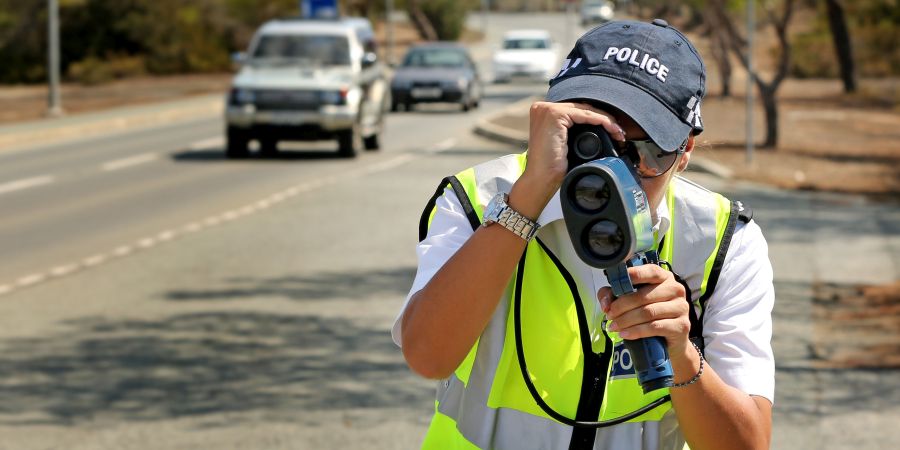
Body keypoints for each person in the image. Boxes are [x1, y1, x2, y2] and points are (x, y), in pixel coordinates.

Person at [393, 19, 774, 450]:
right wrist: (524, 204)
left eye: (646, 152)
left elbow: (747, 444)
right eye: (592, 141)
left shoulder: (721, 238)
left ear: (684, 151)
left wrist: (681, 352)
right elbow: (427, 355)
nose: (616, 174)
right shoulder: (478, 199)